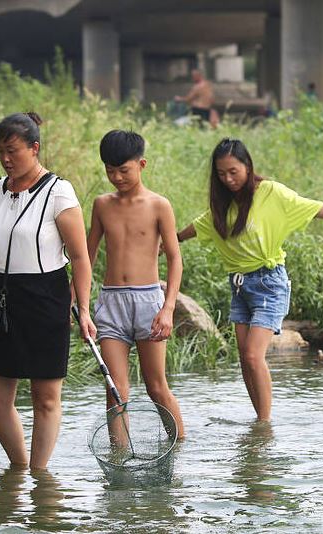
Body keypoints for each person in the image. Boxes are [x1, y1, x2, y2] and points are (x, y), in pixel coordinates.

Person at [174, 138, 323, 421]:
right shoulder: (222, 207)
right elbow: (199, 225)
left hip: (268, 283)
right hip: (238, 287)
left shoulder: (270, 193)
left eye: (233, 171)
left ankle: (264, 426)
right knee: (245, 361)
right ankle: (258, 424)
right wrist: (170, 240)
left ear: (248, 167)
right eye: (221, 174)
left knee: (252, 356)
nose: (228, 179)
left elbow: (312, 206)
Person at [0, 112, 96, 469]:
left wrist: (86, 310)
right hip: (1, 297)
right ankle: (20, 468)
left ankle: (39, 474)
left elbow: (80, 257)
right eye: (0, 151)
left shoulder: (59, 192)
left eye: (12, 150)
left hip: (46, 297)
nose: (5, 158)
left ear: (35, 148)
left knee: (45, 397)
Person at [87, 130, 185, 439]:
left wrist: (168, 308)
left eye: (123, 170)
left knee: (157, 387)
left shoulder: (159, 205)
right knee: (115, 388)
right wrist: (78, 305)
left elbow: (174, 258)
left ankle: (179, 447)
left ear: (141, 164)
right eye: (110, 170)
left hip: (148, 302)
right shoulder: (102, 205)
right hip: (111, 302)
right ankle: (119, 460)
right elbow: (85, 258)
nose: (116, 177)